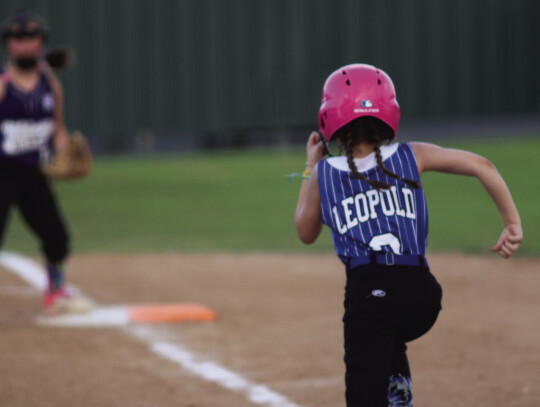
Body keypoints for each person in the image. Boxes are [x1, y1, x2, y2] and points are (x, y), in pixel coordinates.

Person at [294, 63, 522, 406]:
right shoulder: (412, 154)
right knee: (389, 328)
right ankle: (396, 386)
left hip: (370, 293)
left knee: (363, 391)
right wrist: (512, 223)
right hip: (423, 295)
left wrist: (310, 166)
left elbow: (305, 231)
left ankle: (391, 392)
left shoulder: (325, 172)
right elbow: (482, 166)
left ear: (330, 118)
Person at [0, 11, 91, 314]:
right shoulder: (3, 85)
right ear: (9, 45)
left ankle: (56, 291)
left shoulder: (51, 86)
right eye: (18, 39)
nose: (25, 45)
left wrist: (69, 150)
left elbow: (58, 131)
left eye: (31, 38)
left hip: (35, 174)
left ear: (40, 42)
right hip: (3, 172)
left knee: (56, 236)